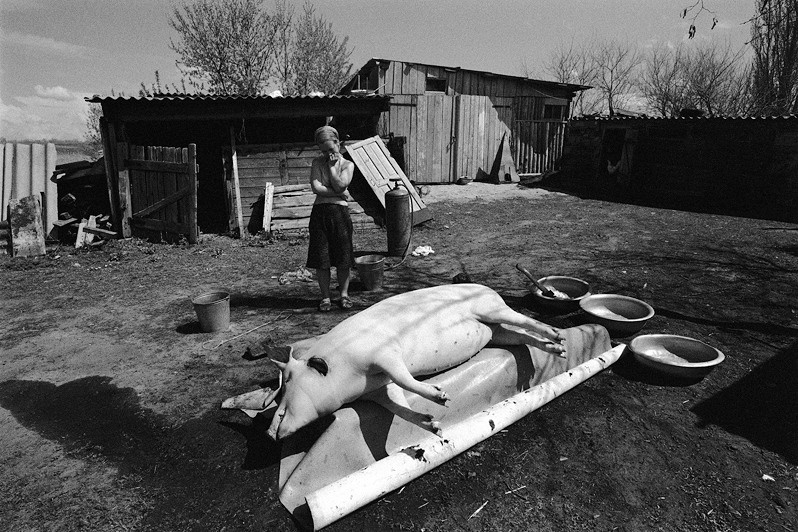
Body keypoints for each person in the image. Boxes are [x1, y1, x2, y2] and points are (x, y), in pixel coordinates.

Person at [307, 125, 355, 311]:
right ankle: (325, 297)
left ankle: (344, 295)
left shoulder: (347, 165)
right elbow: (316, 188)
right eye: (323, 151)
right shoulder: (316, 163)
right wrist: (340, 194)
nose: (328, 154)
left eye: (331, 149)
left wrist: (333, 169)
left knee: (343, 257)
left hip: (340, 216)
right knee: (322, 259)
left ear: (338, 142)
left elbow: (341, 185)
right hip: (320, 215)